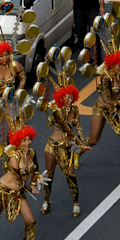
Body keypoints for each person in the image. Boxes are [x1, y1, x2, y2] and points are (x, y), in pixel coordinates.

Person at [0, 121, 42, 240]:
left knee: (31, 221)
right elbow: (19, 181)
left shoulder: (32, 153)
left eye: (29, 139)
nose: (27, 143)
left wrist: (34, 183)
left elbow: (36, 171)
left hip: (19, 193)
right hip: (3, 191)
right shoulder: (14, 158)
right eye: (23, 140)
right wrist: (30, 188)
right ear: (17, 141)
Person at [42, 83, 90, 217]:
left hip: (67, 147)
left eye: (71, 98)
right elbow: (67, 129)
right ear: (61, 99)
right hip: (52, 146)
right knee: (49, 175)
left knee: (70, 176)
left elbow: (78, 128)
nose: (69, 101)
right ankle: (46, 200)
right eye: (66, 98)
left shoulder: (75, 109)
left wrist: (83, 142)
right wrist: (80, 144)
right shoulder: (57, 111)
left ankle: (76, 203)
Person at [84, 50, 120, 174]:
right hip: (101, 109)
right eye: (119, 65)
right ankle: (77, 151)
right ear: (112, 65)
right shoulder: (106, 78)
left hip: (115, 110)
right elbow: (107, 99)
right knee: (93, 140)